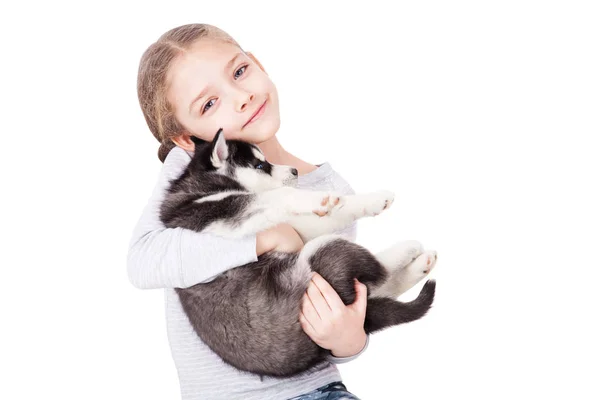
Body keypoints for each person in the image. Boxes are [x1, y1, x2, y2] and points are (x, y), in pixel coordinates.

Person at [129, 23, 369, 400]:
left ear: (257, 63)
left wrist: (350, 343)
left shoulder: (329, 192)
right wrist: (261, 241)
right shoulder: (193, 168)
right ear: (187, 139)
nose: (241, 97)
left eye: (240, 72)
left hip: (316, 389)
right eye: (209, 104)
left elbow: (327, 310)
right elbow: (143, 259)